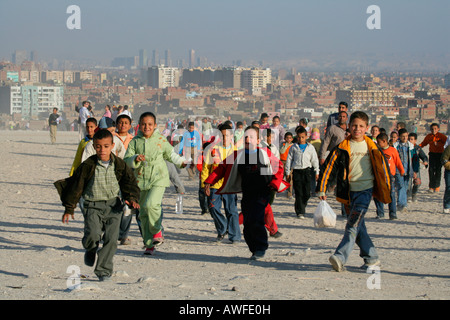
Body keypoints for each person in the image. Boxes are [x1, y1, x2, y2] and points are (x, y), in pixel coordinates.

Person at [55, 129, 140, 281]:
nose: (102, 150)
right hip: (92, 206)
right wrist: (69, 208)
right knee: (93, 234)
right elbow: (76, 186)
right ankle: (90, 248)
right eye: (99, 146)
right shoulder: (88, 165)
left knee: (111, 240)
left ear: (112, 146)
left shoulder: (119, 164)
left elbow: (129, 182)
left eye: (106, 146)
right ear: (94, 146)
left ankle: (103, 270)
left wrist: (131, 198)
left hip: (114, 207)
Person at [317, 111, 391, 272]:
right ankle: (372, 258)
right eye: (354, 125)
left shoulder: (372, 147)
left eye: (361, 126)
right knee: (359, 227)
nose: (357, 129)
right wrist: (322, 188)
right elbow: (328, 168)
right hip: (348, 192)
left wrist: (387, 190)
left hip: (365, 191)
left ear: (367, 128)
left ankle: (340, 257)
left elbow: (383, 169)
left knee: (352, 225)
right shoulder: (342, 147)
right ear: (349, 127)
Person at [204, 126, 289, 260]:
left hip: (262, 192)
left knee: (257, 220)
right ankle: (254, 249)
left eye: (251, 137)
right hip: (247, 193)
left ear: (258, 139)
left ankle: (261, 248)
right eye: (245, 137)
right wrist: (209, 181)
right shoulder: (239, 154)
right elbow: (222, 168)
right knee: (248, 224)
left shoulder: (264, 153)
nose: (248, 139)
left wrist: (274, 183)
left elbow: (278, 167)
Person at [124, 112, 187, 255]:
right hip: (140, 180)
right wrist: (135, 158)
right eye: (144, 124)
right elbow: (127, 159)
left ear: (155, 126)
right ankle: (149, 244)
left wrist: (181, 162)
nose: (147, 127)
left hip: (158, 177)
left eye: (150, 124)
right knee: (143, 213)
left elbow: (170, 154)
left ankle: (157, 231)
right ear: (139, 125)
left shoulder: (160, 139)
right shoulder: (135, 141)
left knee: (151, 204)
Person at [201, 124, 241, 243]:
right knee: (213, 208)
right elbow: (206, 168)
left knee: (232, 211)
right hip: (214, 185)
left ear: (231, 136)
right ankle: (222, 228)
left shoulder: (236, 152)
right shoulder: (212, 150)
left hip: (230, 186)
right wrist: (205, 184)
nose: (224, 138)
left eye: (226, 136)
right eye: (222, 135)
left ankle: (235, 237)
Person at [285, 126, 319, 219]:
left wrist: (317, 171)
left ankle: (301, 205)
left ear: (306, 136)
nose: (301, 139)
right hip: (296, 171)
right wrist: (287, 172)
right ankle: (300, 211)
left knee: (307, 193)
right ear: (297, 137)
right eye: (299, 137)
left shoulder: (310, 147)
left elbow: (315, 159)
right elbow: (289, 160)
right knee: (299, 192)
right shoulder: (293, 147)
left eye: (303, 137)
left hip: (307, 171)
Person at [374, 133, 405, 219]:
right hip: (379, 175)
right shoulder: (377, 151)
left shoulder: (392, 150)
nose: (377, 144)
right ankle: (380, 213)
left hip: (390, 176)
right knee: (377, 194)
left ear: (384, 141)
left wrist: (402, 171)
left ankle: (392, 214)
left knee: (391, 194)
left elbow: (398, 161)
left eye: (379, 142)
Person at [419, 123, 447, 193]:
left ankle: (437, 186)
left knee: (438, 170)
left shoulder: (442, 136)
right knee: (431, 170)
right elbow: (423, 143)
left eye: (435, 129)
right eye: (432, 129)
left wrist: (439, 144)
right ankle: (431, 186)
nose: (433, 130)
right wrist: (417, 148)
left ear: (438, 129)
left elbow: (447, 144)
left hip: (440, 155)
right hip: (432, 155)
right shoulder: (429, 136)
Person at [393, 128, 414, 213]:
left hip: (408, 170)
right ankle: (403, 205)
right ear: (399, 137)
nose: (405, 138)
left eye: (406, 136)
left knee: (405, 187)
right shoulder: (395, 146)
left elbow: (414, 159)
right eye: (403, 136)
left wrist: (414, 171)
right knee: (401, 186)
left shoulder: (411, 146)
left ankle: (400, 204)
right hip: (398, 170)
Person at [408, 132, 428, 202]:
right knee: (408, 183)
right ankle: (408, 196)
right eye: (409, 139)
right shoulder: (405, 147)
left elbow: (424, 156)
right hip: (407, 168)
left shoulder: (418, 148)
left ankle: (414, 194)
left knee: (417, 182)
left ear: (415, 140)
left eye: (412, 139)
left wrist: (425, 161)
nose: (410, 141)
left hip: (416, 168)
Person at [280, 132, 294, 198]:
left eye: (290, 138)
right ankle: (277, 190)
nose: (288, 139)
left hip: (290, 162)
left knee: (289, 178)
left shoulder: (293, 145)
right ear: (285, 138)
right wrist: (285, 145)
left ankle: (289, 193)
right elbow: (281, 151)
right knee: (280, 177)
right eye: (287, 138)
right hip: (282, 162)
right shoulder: (282, 144)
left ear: (292, 139)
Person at [442, 144, 450, 214]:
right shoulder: (449, 148)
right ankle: (447, 206)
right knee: (449, 188)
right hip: (449, 171)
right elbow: (444, 159)